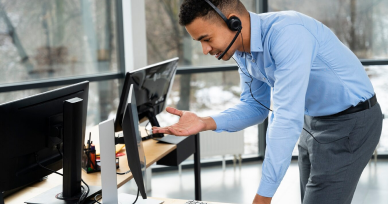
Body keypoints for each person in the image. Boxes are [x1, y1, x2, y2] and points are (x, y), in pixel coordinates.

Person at [152, 0, 383, 203]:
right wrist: (206, 122)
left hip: (352, 120)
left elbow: (285, 117)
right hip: (313, 120)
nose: (204, 50)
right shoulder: (242, 51)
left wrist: (264, 196)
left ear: (233, 22)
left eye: (207, 38)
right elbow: (255, 106)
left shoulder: (288, 34)